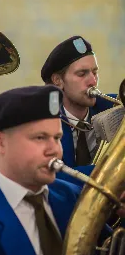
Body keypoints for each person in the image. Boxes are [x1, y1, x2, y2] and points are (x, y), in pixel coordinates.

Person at [0, 85, 125, 255]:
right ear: (0, 142)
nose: (54, 150)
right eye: (40, 138)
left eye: (56, 138)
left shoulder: (69, 195)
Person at [41, 35, 117, 185]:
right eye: (82, 74)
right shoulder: (43, 119)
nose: (93, 81)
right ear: (58, 81)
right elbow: (52, 177)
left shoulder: (114, 106)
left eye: (95, 72)